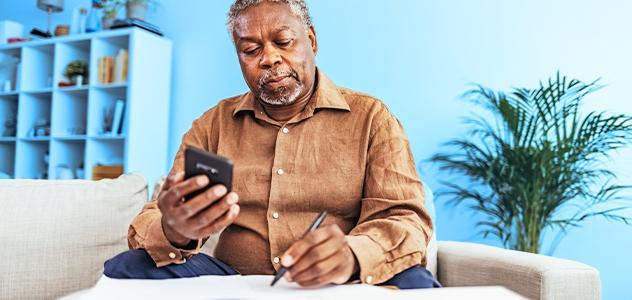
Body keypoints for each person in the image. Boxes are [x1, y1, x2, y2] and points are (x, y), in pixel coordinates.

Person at [104, 0, 440, 289]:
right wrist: (173, 228)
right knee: (128, 266)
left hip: (341, 284)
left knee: (416, 282)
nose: (269, 58)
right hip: (234, 282)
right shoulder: (212, 125)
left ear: (311, 40)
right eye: (251, 50)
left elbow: (406, 219)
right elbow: (149, 223)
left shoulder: (372, 117)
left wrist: (353, 255)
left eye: (283, 41)